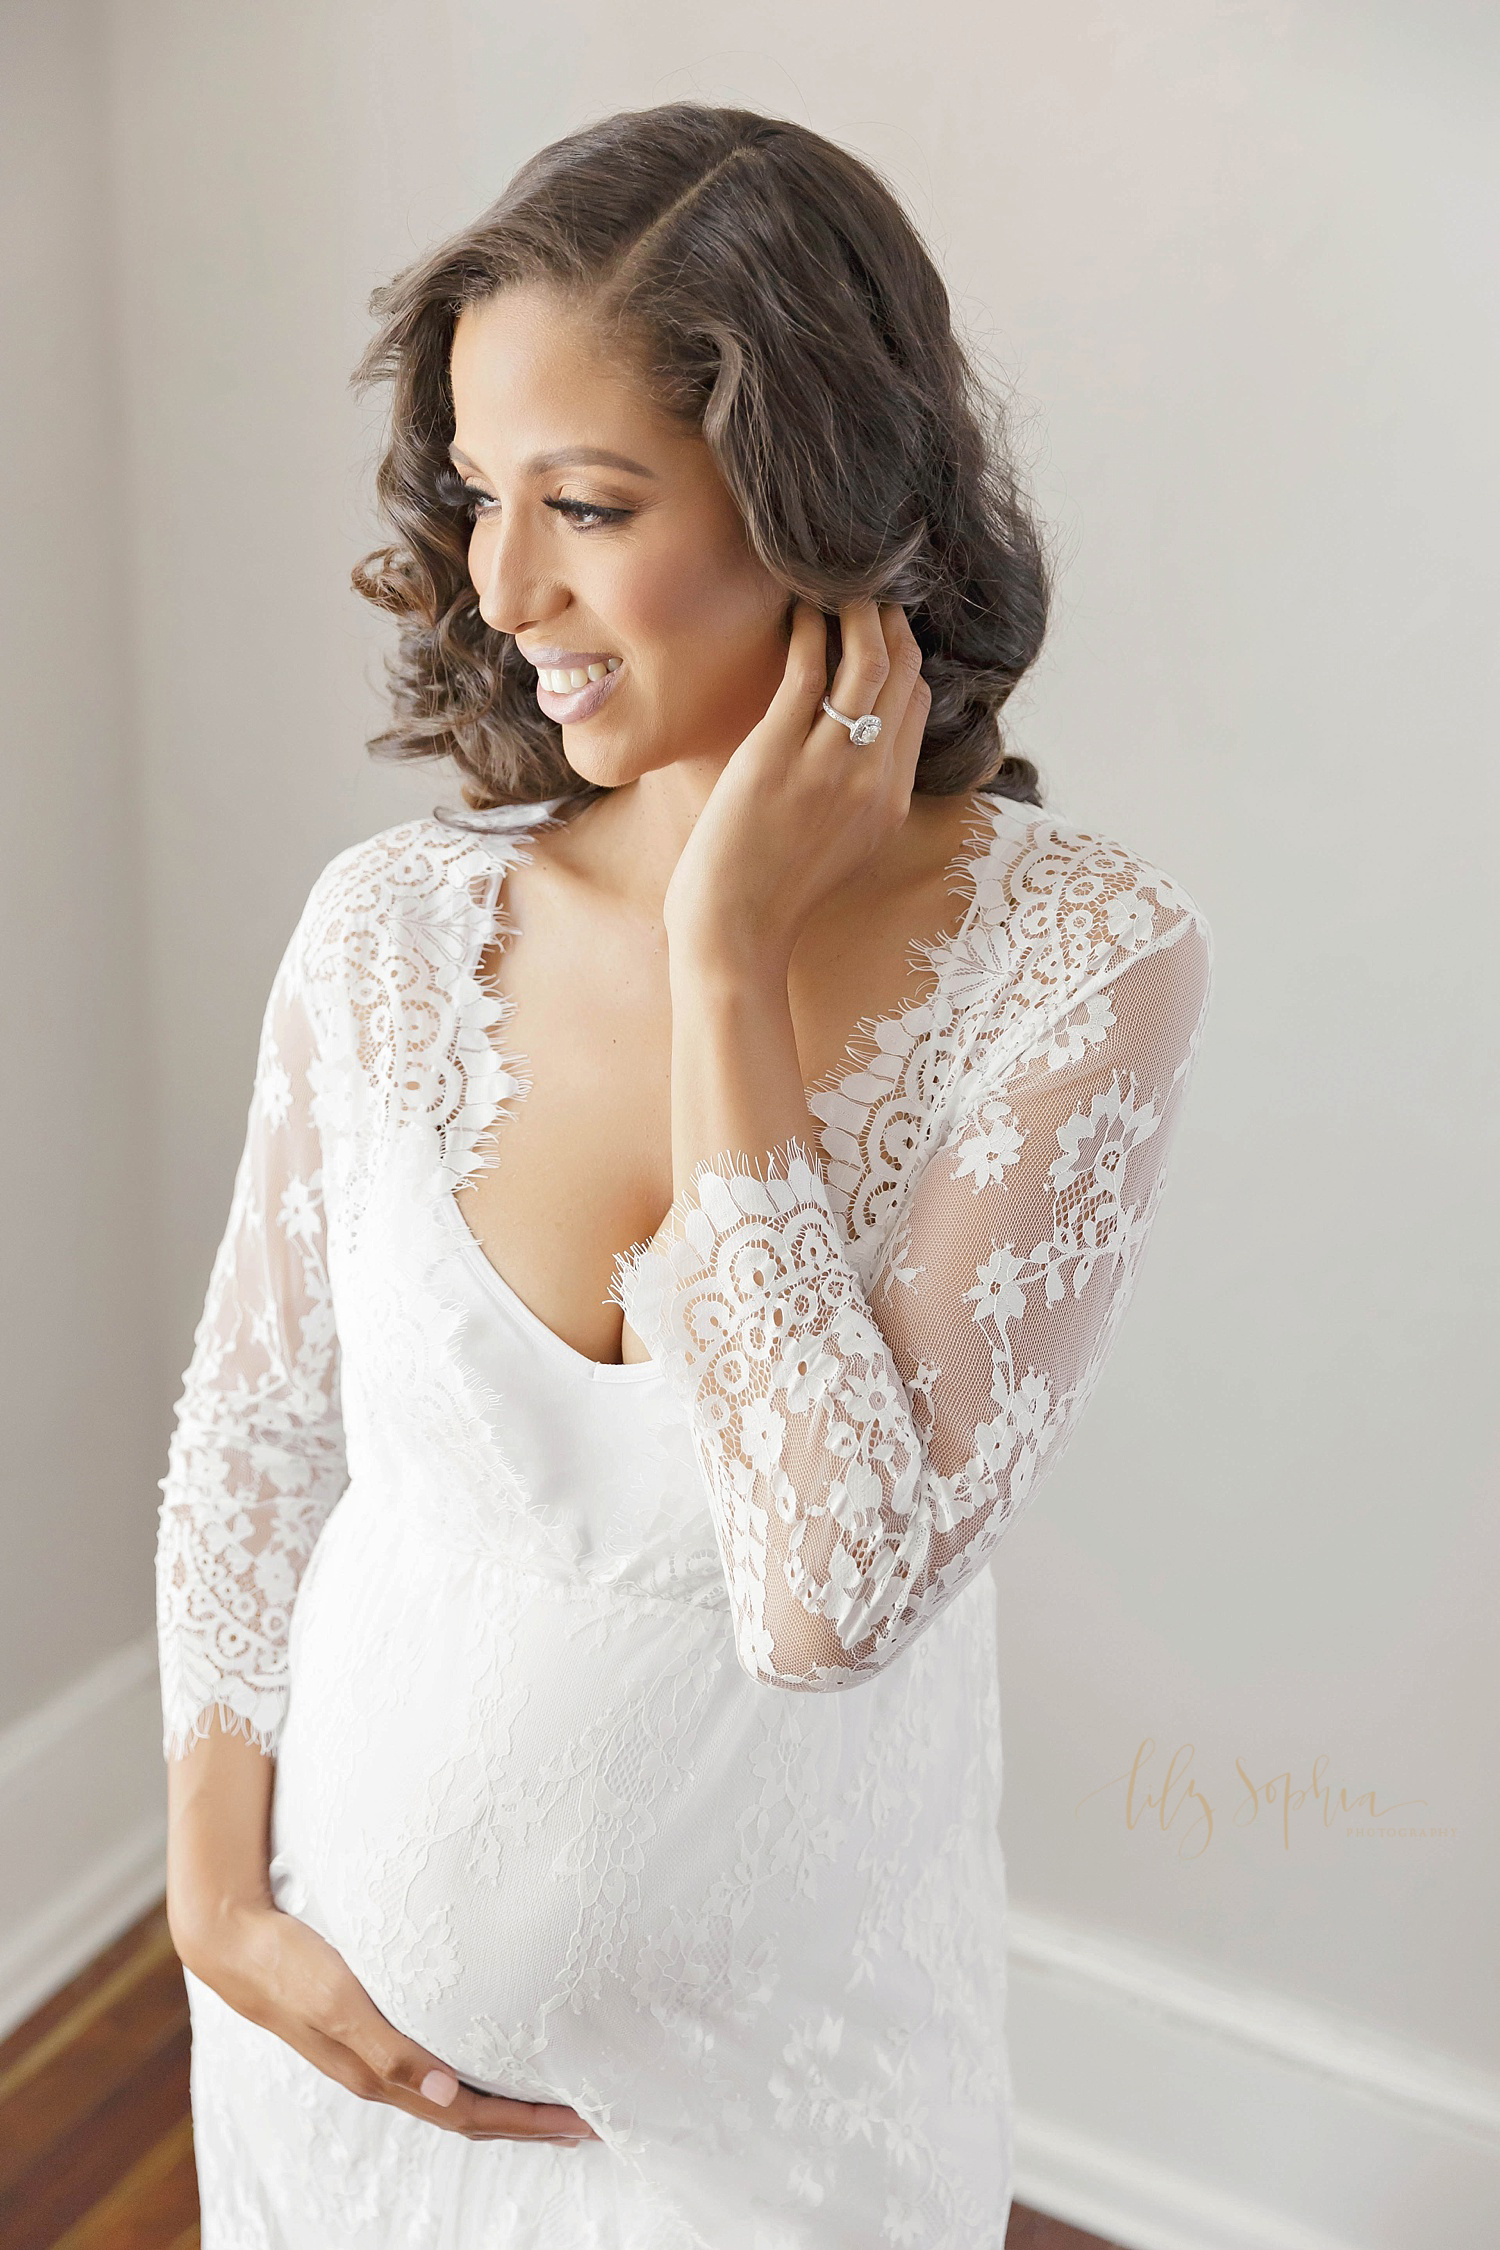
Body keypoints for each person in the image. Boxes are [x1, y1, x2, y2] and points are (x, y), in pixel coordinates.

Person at [156, 101, 1212, 2250]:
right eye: (478, 493)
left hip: (761, 2130)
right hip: (327, 2064)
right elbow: (255, 1436)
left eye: (591, 503)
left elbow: (828, 1608)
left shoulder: (1084, 966)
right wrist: (213, 1912)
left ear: (818, 499)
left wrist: (727, 968)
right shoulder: (384, 929)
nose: (504, 584)